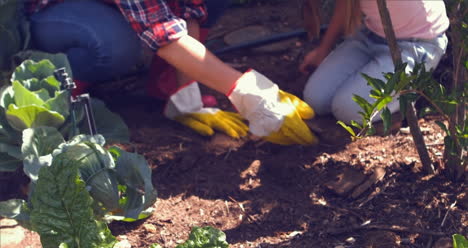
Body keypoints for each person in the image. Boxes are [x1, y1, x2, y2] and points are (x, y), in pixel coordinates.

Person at [20, 0, 318, 146]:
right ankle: (60, 99)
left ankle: (164, 86)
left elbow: (188, 10)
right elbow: (160, 31)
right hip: (59, 12)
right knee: (114, 47)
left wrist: (186, 96)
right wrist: (246, 90)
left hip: (119, 9)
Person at [299, 0, 449, 124]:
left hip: (416, 43)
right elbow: (345, 6)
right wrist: (322, 51)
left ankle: (401, 106)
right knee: (316, 99)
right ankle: (387, 90)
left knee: (349, 110)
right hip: (371, 35)